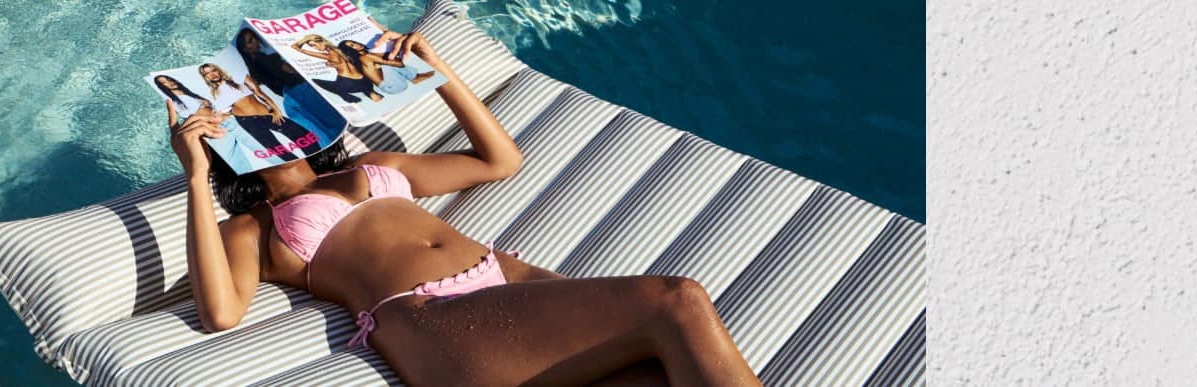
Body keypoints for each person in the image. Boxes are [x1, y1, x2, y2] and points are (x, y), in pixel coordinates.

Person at [166, 31, 761, 386]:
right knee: (676, 299)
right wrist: (195, 174)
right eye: (241, 105)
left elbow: (499, 162)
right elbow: (221, 314)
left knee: (662, 376)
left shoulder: (373, 165)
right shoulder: (253, 227)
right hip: (439, 324)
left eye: (271, 94)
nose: (265, 107)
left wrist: (435, 70)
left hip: (514, 289)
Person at [235, 28, 347, 132]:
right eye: (250, 41)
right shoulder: (262, 59)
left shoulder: (254, 67)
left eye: (253, 37)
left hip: (291, 95)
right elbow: (287, 71)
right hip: (300, 88)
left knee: (322, 124)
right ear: (245, 49)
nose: (255, 41)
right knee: (333, 119)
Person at [200, 63, 315, 161]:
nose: (212, 74)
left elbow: (259, 92)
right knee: (276, 149)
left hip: (266, 114)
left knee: (302, 135)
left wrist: (275, 109)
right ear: (206, 78)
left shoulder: (237, 77)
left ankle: (316, 159)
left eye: (213, 70)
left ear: (218, 70)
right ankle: (302, 166)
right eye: (207, 73)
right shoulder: (216, 94)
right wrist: (215, 114)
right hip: (247, 122)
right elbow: (228, 112)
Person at [292, 34, 382, 103]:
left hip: (346, 84)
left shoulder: (329, 55)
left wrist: (305, 39)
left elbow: (295, 47)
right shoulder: (342, 49)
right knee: (370, 92)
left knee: (317, 81)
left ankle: (343, 94)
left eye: (314, 45)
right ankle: (374, 96)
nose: (315, 47)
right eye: (312, 46)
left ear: (321, 41)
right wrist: (334, 64)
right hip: (364, 80)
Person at [340, 39, 436, 95]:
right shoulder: (365, 57)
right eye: (352, 46)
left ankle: (415, 77)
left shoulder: (363, 58)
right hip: (393, 86)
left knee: (387, 59)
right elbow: (396, 64)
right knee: (389, 62)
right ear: (350, 50)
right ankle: (415, 78)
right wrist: (398, 56)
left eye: (354, 42)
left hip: (389, 87)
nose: (356, 45)